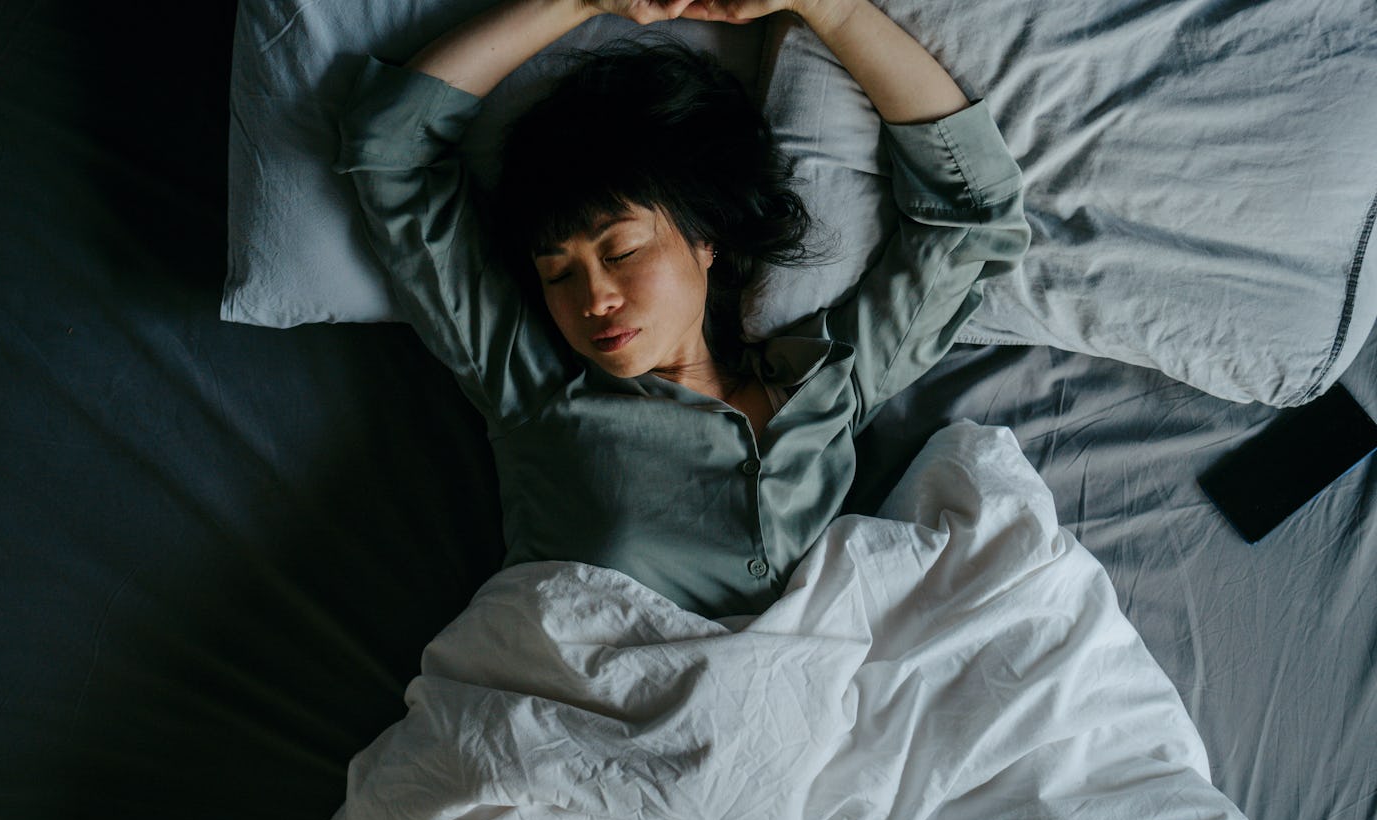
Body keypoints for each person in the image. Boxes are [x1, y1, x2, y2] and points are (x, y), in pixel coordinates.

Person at [336, 0, 1030, 619]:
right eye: (557, 272)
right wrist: (581, 3)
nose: (593, 299)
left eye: (621, 251)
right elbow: (389, 154)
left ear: (706, 242)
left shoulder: (825, 384)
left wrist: (830, 9)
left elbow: (969, 216)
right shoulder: (534, 391)